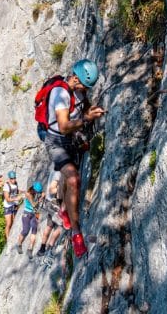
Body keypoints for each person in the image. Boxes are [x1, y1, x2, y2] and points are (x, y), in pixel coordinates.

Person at [42, 59, 106, 257]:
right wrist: (86, 119)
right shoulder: (60, 94)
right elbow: (63, 126)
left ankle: (63, 209)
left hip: (70, 140)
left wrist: (90, 112)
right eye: (84, 86)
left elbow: (82, 108)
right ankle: (76, 234)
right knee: (73, 179)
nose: (85, 90)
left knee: (65, 177)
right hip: (56, 141)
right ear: (76, 78)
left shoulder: (79, 90)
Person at [33, 171, 63, 255]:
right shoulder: (59, 173)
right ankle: (50, 247)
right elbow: (52, 190)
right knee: (62, 225)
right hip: (54, 204)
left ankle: (42, 248)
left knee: (49, 226)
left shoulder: (53, 171)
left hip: (49, 202)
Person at [16, 181, 43, 256]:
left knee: (34, 230)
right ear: (34, 189)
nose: (38, 193)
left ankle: (30, 249)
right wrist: (40, 199)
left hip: (33, 214)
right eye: (37, 191)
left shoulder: (34, 193)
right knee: (25, 231)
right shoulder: (28, 194)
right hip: (27, 214)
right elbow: (33, 205)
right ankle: (18, 244)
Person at [2, 171, 20, 238]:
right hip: (8, 206)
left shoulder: (15, 184)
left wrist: (23, 192)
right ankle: (7, 238)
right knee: (8, 223)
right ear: (9, 178)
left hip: (14, 204)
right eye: (12, 178)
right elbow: (7, 199)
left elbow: (16, 191)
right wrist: (16, 199)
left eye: (14, 178)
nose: (14, 180)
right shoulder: (6, 186)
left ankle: (12, 235)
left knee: (14, 222)